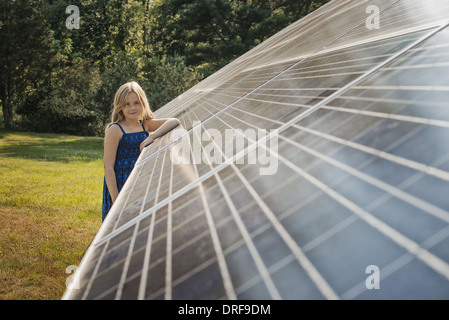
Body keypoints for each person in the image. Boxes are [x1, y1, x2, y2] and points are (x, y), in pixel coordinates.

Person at [102, 81, 180, 221]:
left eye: (136, 102)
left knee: (140, 222)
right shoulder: (116, 129)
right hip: (121, 184)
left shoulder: (145, 124)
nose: (132, 108)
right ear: (120, 106)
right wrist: (116, 199)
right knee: (120, 225)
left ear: (143, 102)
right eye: (127, 104)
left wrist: (151, 138)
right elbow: (108, 167)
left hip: (140, 181)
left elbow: (174, 121)